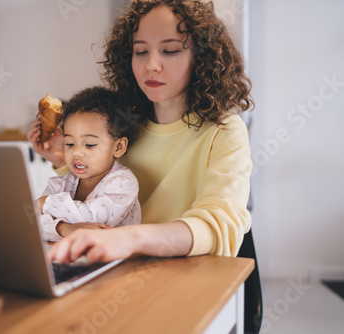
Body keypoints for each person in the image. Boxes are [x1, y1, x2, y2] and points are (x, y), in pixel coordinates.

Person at [27, 0, 253, 264]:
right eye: (140, 51)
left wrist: (129, 239)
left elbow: (218, 226)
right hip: (117, 269)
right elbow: (96, 205)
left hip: (182, 275)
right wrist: (63, 159)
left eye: (169, 50)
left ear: (201, 57)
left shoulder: (223, 130)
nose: (151, 65)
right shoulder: (123, 123)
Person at [35, 86, 141, 242]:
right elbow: (32, 223)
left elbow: (92, 219)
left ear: (118, 147)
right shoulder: (61, 184)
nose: (76, 152)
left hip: (119, 263)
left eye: (89, 145)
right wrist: (64, 229)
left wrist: (45, 203)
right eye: (70, 143)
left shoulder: (123, 183)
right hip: (71, 260)